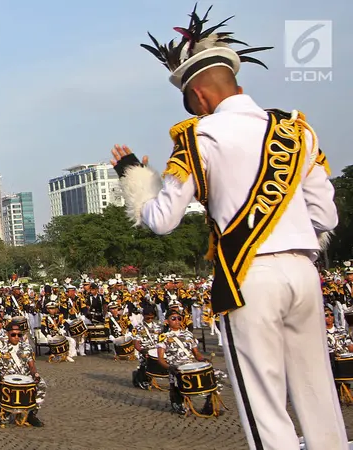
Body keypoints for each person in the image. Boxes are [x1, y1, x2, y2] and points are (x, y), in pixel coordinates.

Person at [112, 5, 345, 448]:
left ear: (197, 98)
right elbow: (326, 217)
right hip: (304, 271)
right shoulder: (296, 131)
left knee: (265, 401)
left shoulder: (198, 137)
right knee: (318, 391)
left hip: (248, 276)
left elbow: (162, 219)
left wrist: (135, 180)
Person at [0, 322, 45, 427]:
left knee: (41, 384)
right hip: (7, 377)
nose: (16, 337)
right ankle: (3, 410)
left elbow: (32, 366)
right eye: (13, 334)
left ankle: (31, 414)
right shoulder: (0, 349)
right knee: (3, 420)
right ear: (7, 334)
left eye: (19, 335)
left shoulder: (27, 347)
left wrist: (35, 375)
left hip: (25, 376)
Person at [132, 305, 163, 390]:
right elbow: (136, 343)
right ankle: (142, 378)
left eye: (151, 315)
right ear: (143, 315)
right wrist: (142, 350)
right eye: (147, 315)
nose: (150, 317)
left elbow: (162, 340)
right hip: (144, 350)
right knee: (145, 362)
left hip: (156, 350)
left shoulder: (158, 326)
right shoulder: (138, 328)